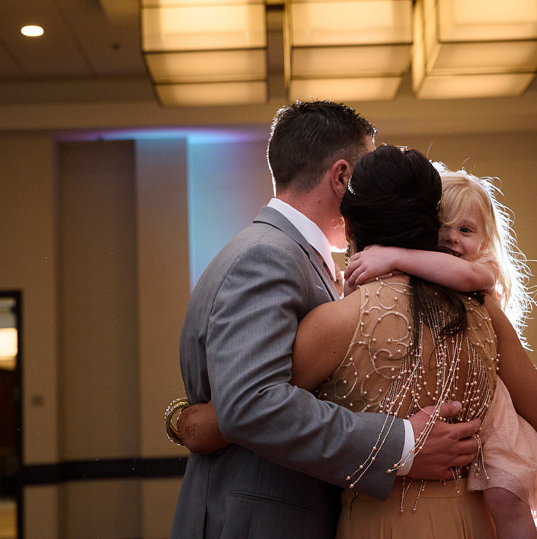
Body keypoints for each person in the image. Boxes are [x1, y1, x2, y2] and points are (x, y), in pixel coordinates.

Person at [170, 102, 482, 539]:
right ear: (341, 177)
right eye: (366, 173)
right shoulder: (268, 256)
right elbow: (253, 401)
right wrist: (401, 445)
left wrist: (184, 419)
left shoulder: (294, 256)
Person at [291, 145, 537, 537]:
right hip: (474, 520)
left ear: (350, 226)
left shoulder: (335, 321)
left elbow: (261, 415)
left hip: (378, 521)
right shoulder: (480, 310)